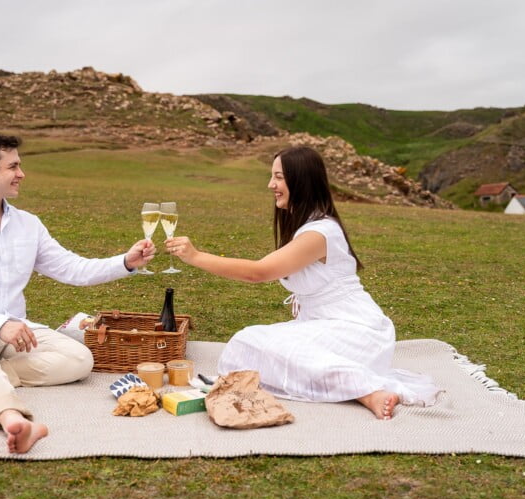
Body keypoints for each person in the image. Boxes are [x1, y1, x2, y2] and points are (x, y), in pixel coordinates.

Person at [0, 133, 155, 453]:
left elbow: (72, 268)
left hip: (14, 331)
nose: (21, 174)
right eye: (13, 166)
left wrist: (125, 262)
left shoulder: (28, 224)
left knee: (79, 359)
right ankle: (15, 420)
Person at [165, 145, 439, 420]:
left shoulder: (320, 233)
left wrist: (196, 256)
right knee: (244, 345)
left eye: (279, 177)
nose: (271, 184)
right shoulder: (307, 226)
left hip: (357, 332)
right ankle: (349, 381)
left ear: (301, 180)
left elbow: (258, 273)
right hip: (324, 325)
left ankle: (367, 392)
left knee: (256, 342)